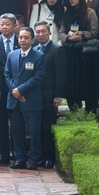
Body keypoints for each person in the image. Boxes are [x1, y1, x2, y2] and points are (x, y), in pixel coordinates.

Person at [5, 26, 45, 170]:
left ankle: (34, 159)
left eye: (26, 37)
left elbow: (38, 78)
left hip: (31, 100)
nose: (22, 40)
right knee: (16, 131)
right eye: (20, 37)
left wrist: (20, 90)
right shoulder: (12, 55)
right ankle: (19, 158)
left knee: (34, 132)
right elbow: (7, 75)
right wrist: (14, 91)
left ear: (32, 40)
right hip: (14, 101)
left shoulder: (39, 56)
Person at [32, 21, 66, 169]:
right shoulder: (34, 49)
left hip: (49, 95)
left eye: (43, 31)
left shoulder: (56, 50)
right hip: (35, 96)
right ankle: (38, 156)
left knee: (47, 128)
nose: (40, 34)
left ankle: (49, 158)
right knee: (36, 128)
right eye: (38, 32)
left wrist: (58, 96)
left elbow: (61, 75)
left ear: (49, 32)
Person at [59, 0, 98, 111]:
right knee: (71, 80)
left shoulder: (90, 12)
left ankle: (90, 109)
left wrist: (80, 34)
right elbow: (61, 32)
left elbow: (94, 32)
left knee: (87, 80)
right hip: (70, 52)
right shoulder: (67, 13)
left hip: (85, 53)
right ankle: (74, 107)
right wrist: (69, 38)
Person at [0, 13, 19, 164]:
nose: (4, 27)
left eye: (7, 24)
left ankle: (18, 153)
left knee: (16, 122)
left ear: (15, 25)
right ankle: (3, 154)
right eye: (2, 24)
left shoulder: (22, 40)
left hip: (17, 88)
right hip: (0, 88)